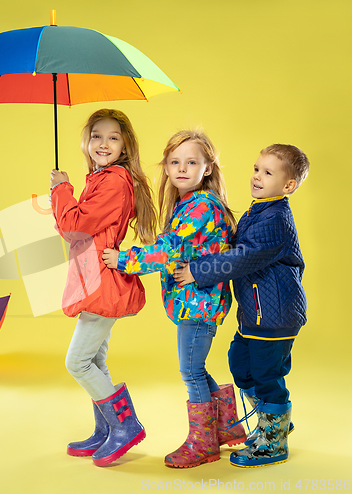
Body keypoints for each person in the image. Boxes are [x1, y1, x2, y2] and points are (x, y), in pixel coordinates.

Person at [103, 129, 246, 468]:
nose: (182, 168)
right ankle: (226, 427)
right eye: (175, 162)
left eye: (191, 162)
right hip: (196, 304)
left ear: (207, 168)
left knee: (191, 372)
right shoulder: (190, 204)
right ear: (166, 168)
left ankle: (202, 444)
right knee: (197, 368)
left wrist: (123, 260)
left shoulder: (200, 207)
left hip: (198, 304)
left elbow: (167, 250)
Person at [175, 144, 309, 468]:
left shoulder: (276, 218)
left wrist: (199, 270)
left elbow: (243, 257)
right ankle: (270, 418)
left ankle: (273, 439)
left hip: (274, 317)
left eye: (267, 173)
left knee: (266, 375)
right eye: (256, 169)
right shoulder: (258, 210)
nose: (257, 177)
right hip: (257, 313)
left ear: (288, 185)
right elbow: (236, 243)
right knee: (239, 362)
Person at [49, 109, 157, 467]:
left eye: (113, 137)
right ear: (86, 141)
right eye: (97, 136)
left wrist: (60, 189)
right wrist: (67, 202)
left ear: (125, 144)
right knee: (95, 360)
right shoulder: (100, 179)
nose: (104, 143)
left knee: (77, 362)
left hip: (101, 283)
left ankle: (125, 426)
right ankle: (106, 430)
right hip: (92, 275)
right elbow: (79, 226)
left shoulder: (112, 181)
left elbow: (73, 225)